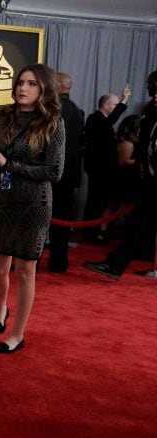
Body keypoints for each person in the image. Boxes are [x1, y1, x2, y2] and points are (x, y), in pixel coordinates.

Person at [0, 64, 65, 354]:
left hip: (34, 204)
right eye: (20, 82)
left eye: (31, 84)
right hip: (1, 200)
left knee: (25, 270)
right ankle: (1, 310)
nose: (22, 88)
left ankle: (17, 334)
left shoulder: (53, 123)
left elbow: (54, 171)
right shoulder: (4, 119)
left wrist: (8, 163)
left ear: (44, 89)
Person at [85, 70, 157, 280]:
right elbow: (145, 146)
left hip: (150, 182)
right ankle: (115, 265)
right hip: (148, 183)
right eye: (152, 90)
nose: (153, 95)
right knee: (135, 224)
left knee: (137, 224)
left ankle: (115, 265)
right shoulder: (150, 114)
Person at [82, 88, 131, 241]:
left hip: (103, 168)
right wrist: (123, 101)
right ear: (106, 105)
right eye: (115, 105)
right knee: (94, 201)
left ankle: (96, 230)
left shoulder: (101, 120)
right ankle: (90, 231)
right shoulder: (95, 118)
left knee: (100, 201)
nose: (117, 108)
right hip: (97, 168)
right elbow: (108, 124)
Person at [48, 72, 84, 272]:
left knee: (39, 218)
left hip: (49, 172)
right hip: (69, 174)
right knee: (62, 220)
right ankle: (59, 262)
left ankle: (30, 263)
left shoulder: (53, 109)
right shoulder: (78, 112)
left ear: (60, 85)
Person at [97, 114, 141, 238]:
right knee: (115, 206)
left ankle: (104, 231)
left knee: (115, 206)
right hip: (122, 180)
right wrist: (141, 162)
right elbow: (124, 161)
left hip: (122, 179)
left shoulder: (124, 140)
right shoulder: (127, 142)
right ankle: (102, 232)